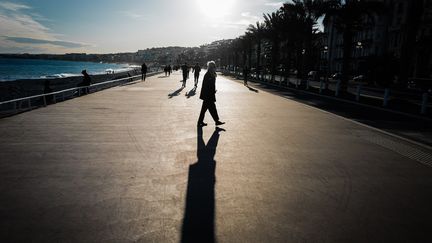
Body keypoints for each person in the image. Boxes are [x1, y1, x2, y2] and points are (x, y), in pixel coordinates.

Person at [197, 61, 225, 127]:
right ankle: (216, 121)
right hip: (208, 95)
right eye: (213, 67)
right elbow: (207, 86)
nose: (214, 68)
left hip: (209, 95)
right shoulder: (208, 75)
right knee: (211, 108)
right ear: (211, 67)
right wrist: (212, 92)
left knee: (206, 109)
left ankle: (201, 121)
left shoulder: (211, 74)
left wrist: (213, 91)